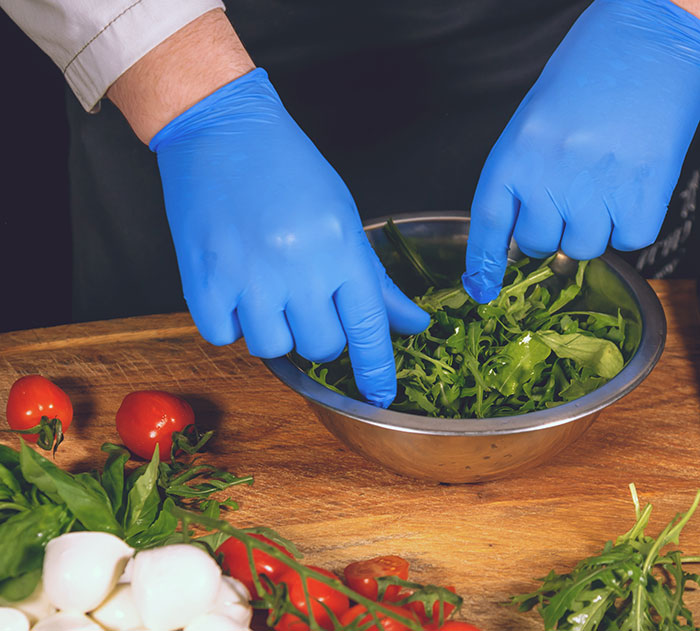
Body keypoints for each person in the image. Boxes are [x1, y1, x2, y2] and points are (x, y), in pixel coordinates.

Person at [2, 0, 700, 408]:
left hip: (584, 52)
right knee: (207, 378)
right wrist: (193, 99)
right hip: (189, 72)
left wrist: (671, 20)